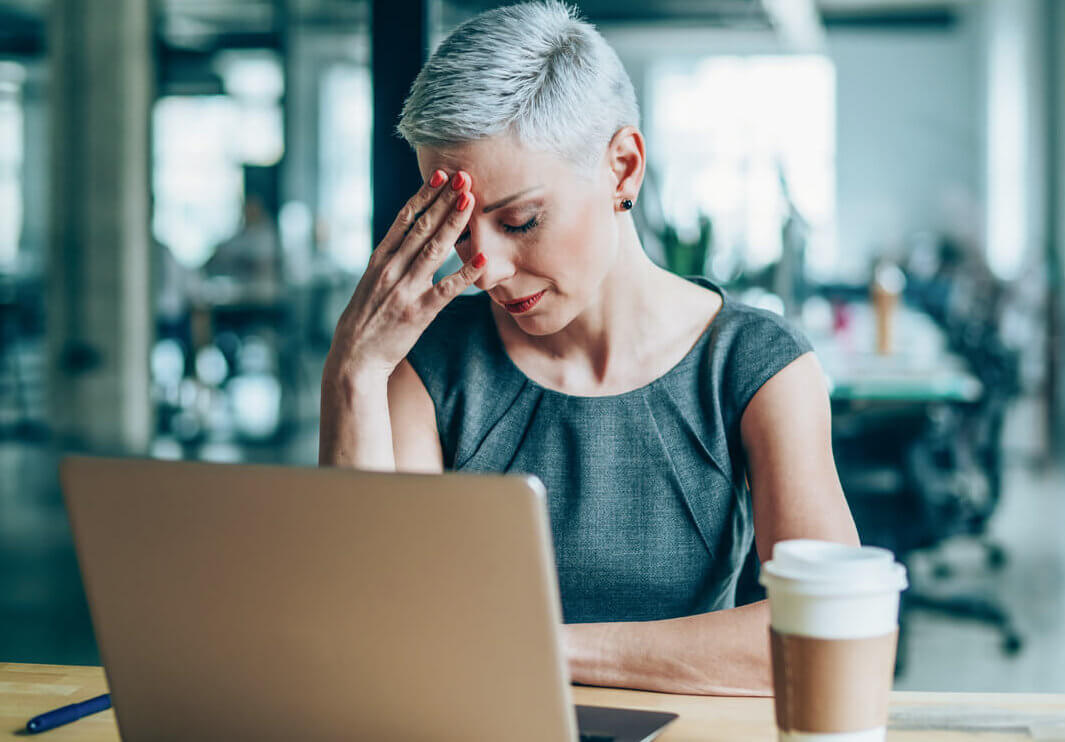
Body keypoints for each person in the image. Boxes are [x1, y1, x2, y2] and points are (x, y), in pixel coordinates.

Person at [318, 0, 858, 696]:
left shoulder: (755, 365)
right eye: (458, 229)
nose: (485, 268)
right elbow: (373, 630)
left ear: (622, 169)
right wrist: (355, 373)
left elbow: (824, 629)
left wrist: (532, 647)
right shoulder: (430, 364)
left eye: (521, 220)